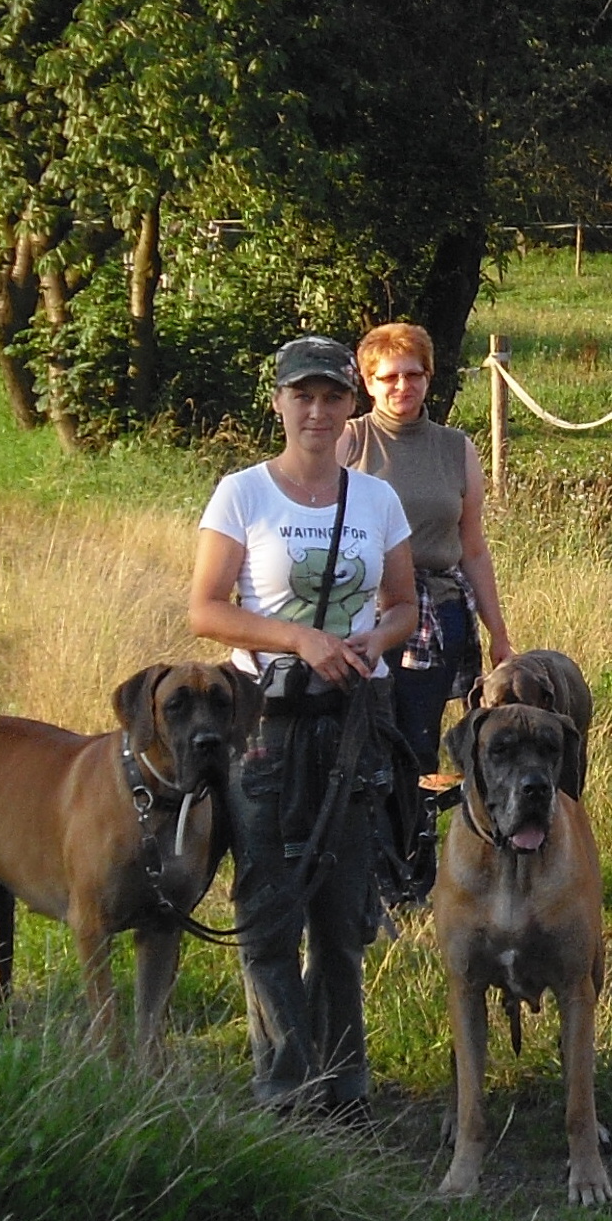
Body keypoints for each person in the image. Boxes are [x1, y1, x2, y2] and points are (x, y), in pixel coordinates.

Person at [191, 337, 421, 1114]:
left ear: (352, 404)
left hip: (352, 723)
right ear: (280, 403)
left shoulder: (376, 501)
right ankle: (284, 1089)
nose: (318, 411)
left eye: (332, 396)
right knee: (267, 910)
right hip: (267, 726)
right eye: (303, 396)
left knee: (342, 916)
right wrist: (298, 638)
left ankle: (345, 1086)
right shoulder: (242, 493)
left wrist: (372, 641)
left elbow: (403, 606)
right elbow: (205, 608)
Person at [342, 321, 512, 896]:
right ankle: (360, 868)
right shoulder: (348, 442)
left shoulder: (455, 448)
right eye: (388, 377)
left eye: (413, 374)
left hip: (438, 612)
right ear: (367, 383)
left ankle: (413, 876)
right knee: (364, 738)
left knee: (417, 744)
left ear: (429, 378)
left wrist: (500, 634)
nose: (401, 387)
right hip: (362, 613)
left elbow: (472, 546)